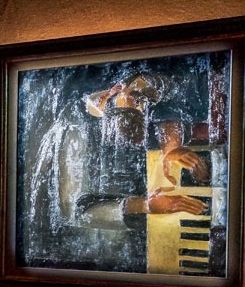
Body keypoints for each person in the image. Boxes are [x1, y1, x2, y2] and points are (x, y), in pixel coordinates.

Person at [23, 72, 207, 272]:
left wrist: (171, 146)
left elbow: (167, 96)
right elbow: (73, 211)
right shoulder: (75, 129)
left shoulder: (132, 102)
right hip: (110, 245)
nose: (143, 107)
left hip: (158, 206)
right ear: (115, 90)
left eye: (145, 103)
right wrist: (144, 205)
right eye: (138, 101)